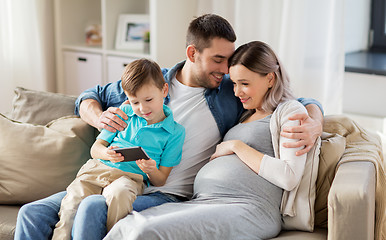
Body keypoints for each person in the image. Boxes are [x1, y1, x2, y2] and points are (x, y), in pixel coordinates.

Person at [15, 14, 323, 240]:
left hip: (164, 192)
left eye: (228, 60)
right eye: (218, 60)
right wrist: (98, 118)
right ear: (192, 53)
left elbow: (286, 96)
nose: (225, 69)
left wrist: (314, 122)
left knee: (94, 207)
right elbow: (90, 96)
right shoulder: (150, 82)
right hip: (113, 174)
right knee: (32, 213)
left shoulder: (229, 93)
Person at [104, 40, 312, 240]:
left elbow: (289, 176)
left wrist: (236, 146)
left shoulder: (288, 111)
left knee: (145, 232)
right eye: (235, 83)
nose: (237, 92)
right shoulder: (245, 112)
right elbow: (102, 93)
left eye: (245, 84)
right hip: (203, 201)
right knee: (128, 226)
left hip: (247, 207)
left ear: (270, 79)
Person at [51, 59, 185, 240]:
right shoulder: (125, 112)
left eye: (148, 100)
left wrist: (151, 169)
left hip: (130, 179)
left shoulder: (175, 132)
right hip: (97, 171)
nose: (142, 108)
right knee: (70, 206)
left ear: (164, 90)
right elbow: (96, 148)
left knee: (120, 194)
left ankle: (113, 235)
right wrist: (107, 153)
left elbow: (160, 180)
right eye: (135, 102)